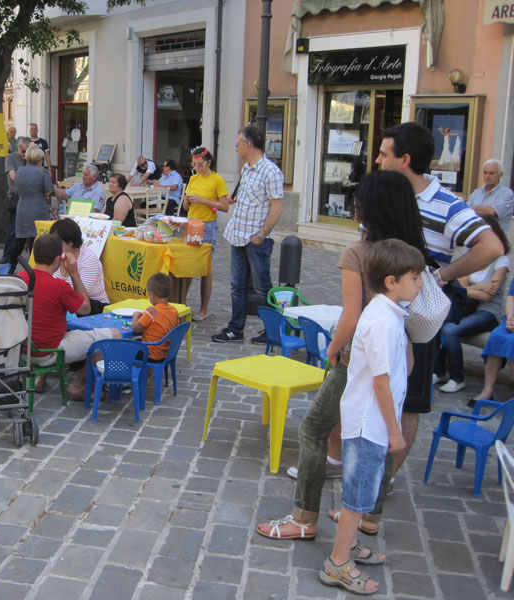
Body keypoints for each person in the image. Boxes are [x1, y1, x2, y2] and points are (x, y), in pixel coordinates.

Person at [256, 170, 430, 541]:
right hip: (401, 356)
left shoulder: (359, 253)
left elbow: (351, 317)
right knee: (382, 434)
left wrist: (332, 351)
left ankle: (304, 518)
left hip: (358, 360)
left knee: (313, 429)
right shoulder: (410, 251)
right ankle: (369, 518)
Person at [373, 121, 502, 480]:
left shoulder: (447, 203)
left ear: (405, 160)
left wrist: (441, 276)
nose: (378, 160)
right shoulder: (387, 195)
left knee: (410, 400)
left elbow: (491, 246)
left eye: (385, 154)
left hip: (418, 320)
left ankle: (386, 482)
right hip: (379, 314)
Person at [319, 238, 424, 596]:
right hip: (370, 424)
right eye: (415, 278)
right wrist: (395, 432)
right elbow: (381, 383)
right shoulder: (382, 321)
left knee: (361, 491)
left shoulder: (388, 314)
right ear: (392, 281)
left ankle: (346, 547)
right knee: (357, 498)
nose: (421, 284)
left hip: (373, 422)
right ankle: (338, 562)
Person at [19, 234, 121, 397]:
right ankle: (77, 385)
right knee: (114, 336)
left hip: (24, 349)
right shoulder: (58, 286)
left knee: (53, 327)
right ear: (57, 260)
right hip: (48, 351)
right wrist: (74, 273)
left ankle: (39, 379)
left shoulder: (20, 279)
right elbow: (85, 309)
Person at [213, 126, 284, 344]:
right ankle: (236, 329)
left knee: (263, 287)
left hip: (256, 239)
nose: (235, 148)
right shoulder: (246, 168)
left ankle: (273, 330)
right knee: (237, 286)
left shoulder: (271, 172)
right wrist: (234, 199)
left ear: (248, 145)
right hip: (238, 234)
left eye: (237, 144)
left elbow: (277, 207)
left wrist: (262, 234)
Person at [433, 215, 510, 393]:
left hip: (489, 312)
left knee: (450, 330)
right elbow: (463, 285)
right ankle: (437, 371)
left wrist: (469, 289)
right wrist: (475, 288)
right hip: (468, 307)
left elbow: (489, 294)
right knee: (439, 321)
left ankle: (457, 378)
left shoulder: (501, 260)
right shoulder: (472, 256)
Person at [182, 146, 230, 321]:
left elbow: (224, 206)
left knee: (205, 268)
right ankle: (182, 303)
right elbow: (185, 207)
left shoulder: (217, 180)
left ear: (208, 163)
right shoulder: (193, 179)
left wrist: (205, 201)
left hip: (207, 225)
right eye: (194, 164)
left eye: (200, 164)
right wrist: (187, 201)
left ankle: (204, 308)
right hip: (191, 223)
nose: (196, 168)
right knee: (186, 266)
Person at [49, 218, 109, 314]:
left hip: (94, 306)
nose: (53, 244)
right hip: (67, 300)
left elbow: (77, 296)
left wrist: (65, 271)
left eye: (57, 240)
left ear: (71, 242)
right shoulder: (56, 254)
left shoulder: (89, 259)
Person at [471, 280, 514, 407]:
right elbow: (511, 298)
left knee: (512, 342)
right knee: (496, 337)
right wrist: (511, 319)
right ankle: (487, 390)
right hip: (511, 322)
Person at [10, 144, 53, 268]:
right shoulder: (42, 172)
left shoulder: (20, 171)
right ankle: (32, 266)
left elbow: (17, 188)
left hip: (22, 207)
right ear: (39, 159)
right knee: (37, 239)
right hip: (38, 207)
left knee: (20, 239)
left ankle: (11, 265)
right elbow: (48, 190)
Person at [131, 273, 179, 361]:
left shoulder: (152, 312)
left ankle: (133, 372)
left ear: (151, 295)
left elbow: (136, 329)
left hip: (151, 354)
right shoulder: (174, 311)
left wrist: (135, 316)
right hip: (166, 353)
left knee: (125, 347)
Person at [0, 137, 29, 264]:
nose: (24, 155)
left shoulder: (32, 159)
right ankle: (7, 255)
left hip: (30, 196)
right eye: (23, 152)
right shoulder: (11, 158)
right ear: (18, 148)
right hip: (16, 195)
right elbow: (13, 177)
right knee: (14, 227)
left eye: (27, 152)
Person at [468, 159, 514, 233]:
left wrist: (472, 208)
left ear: (500, 174)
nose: (487, 176)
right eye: (485, 173)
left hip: (496, 241)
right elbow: (465, 211)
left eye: (491, 173)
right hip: (474, 239)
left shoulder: (507, 194)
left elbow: (491, 212)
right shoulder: (476, 193)